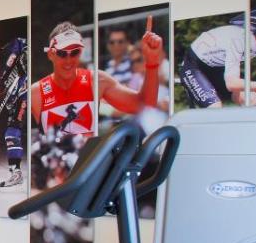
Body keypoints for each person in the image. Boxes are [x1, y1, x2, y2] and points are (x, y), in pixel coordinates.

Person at [29, 18, 164, 148]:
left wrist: (152, 62)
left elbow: (146, 105)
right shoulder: (34, 93)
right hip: (54, 162)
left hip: (90, 162)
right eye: (62, 54)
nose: (69, 60)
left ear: (81, 52)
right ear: (50, 54)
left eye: (75, 52)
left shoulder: (97, 80)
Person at [179, 6, 256, 108]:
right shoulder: (239, 39)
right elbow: (232, 84)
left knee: (252, 100)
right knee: (215, 109)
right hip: (195, 66)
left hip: (218, 69)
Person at [0, 37, 29, 187]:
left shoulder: (13, 46)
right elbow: (2, 90)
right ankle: (16, 171)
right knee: (10, 134)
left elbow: (23, 46)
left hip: (24, 95)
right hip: (16, 97)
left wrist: (26, 56)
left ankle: (17, 173)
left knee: (12, 132)